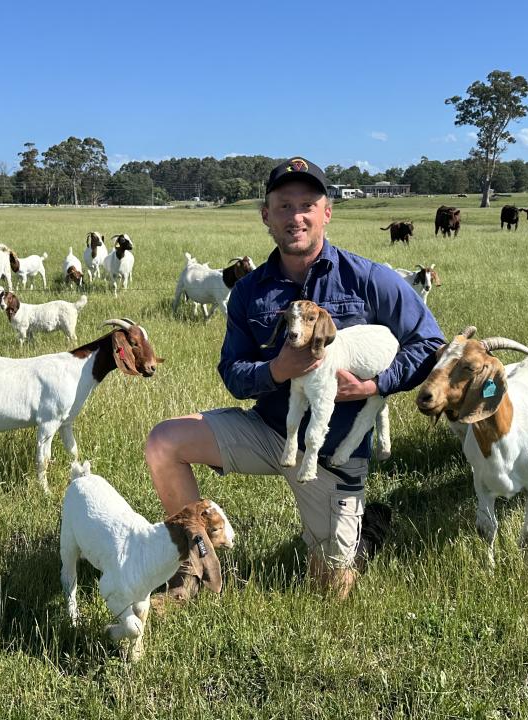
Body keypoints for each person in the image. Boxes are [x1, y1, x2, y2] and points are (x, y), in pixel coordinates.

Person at [143, 156, 445, 599]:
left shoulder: (368, 279)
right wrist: (275, 370)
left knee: (328, 589)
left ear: (327, 212)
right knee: (163, 442)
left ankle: (366, 534)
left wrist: (375, 385)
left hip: (334, 454)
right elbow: (232, 371)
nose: (296, 216)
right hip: (269, 432)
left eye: (307, 204)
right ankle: (195, 571)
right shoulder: (250, 291)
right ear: (266, 215)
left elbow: (428, 342)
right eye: (284, 206)